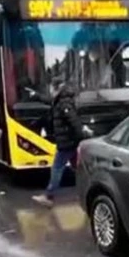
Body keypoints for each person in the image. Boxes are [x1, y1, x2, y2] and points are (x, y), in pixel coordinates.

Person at [33, 79, 92, 207]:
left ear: (56, 88)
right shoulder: (60, 100)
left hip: (67, 143)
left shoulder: (64, 103)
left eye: (50, 88)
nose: (49, 91)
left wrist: (82, 134)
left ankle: (49, 197)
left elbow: (73, 120)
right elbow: (50, 101)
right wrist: (36, 96)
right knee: (79, 168)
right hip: (69, 141)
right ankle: (90, 189)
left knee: (57, 168)